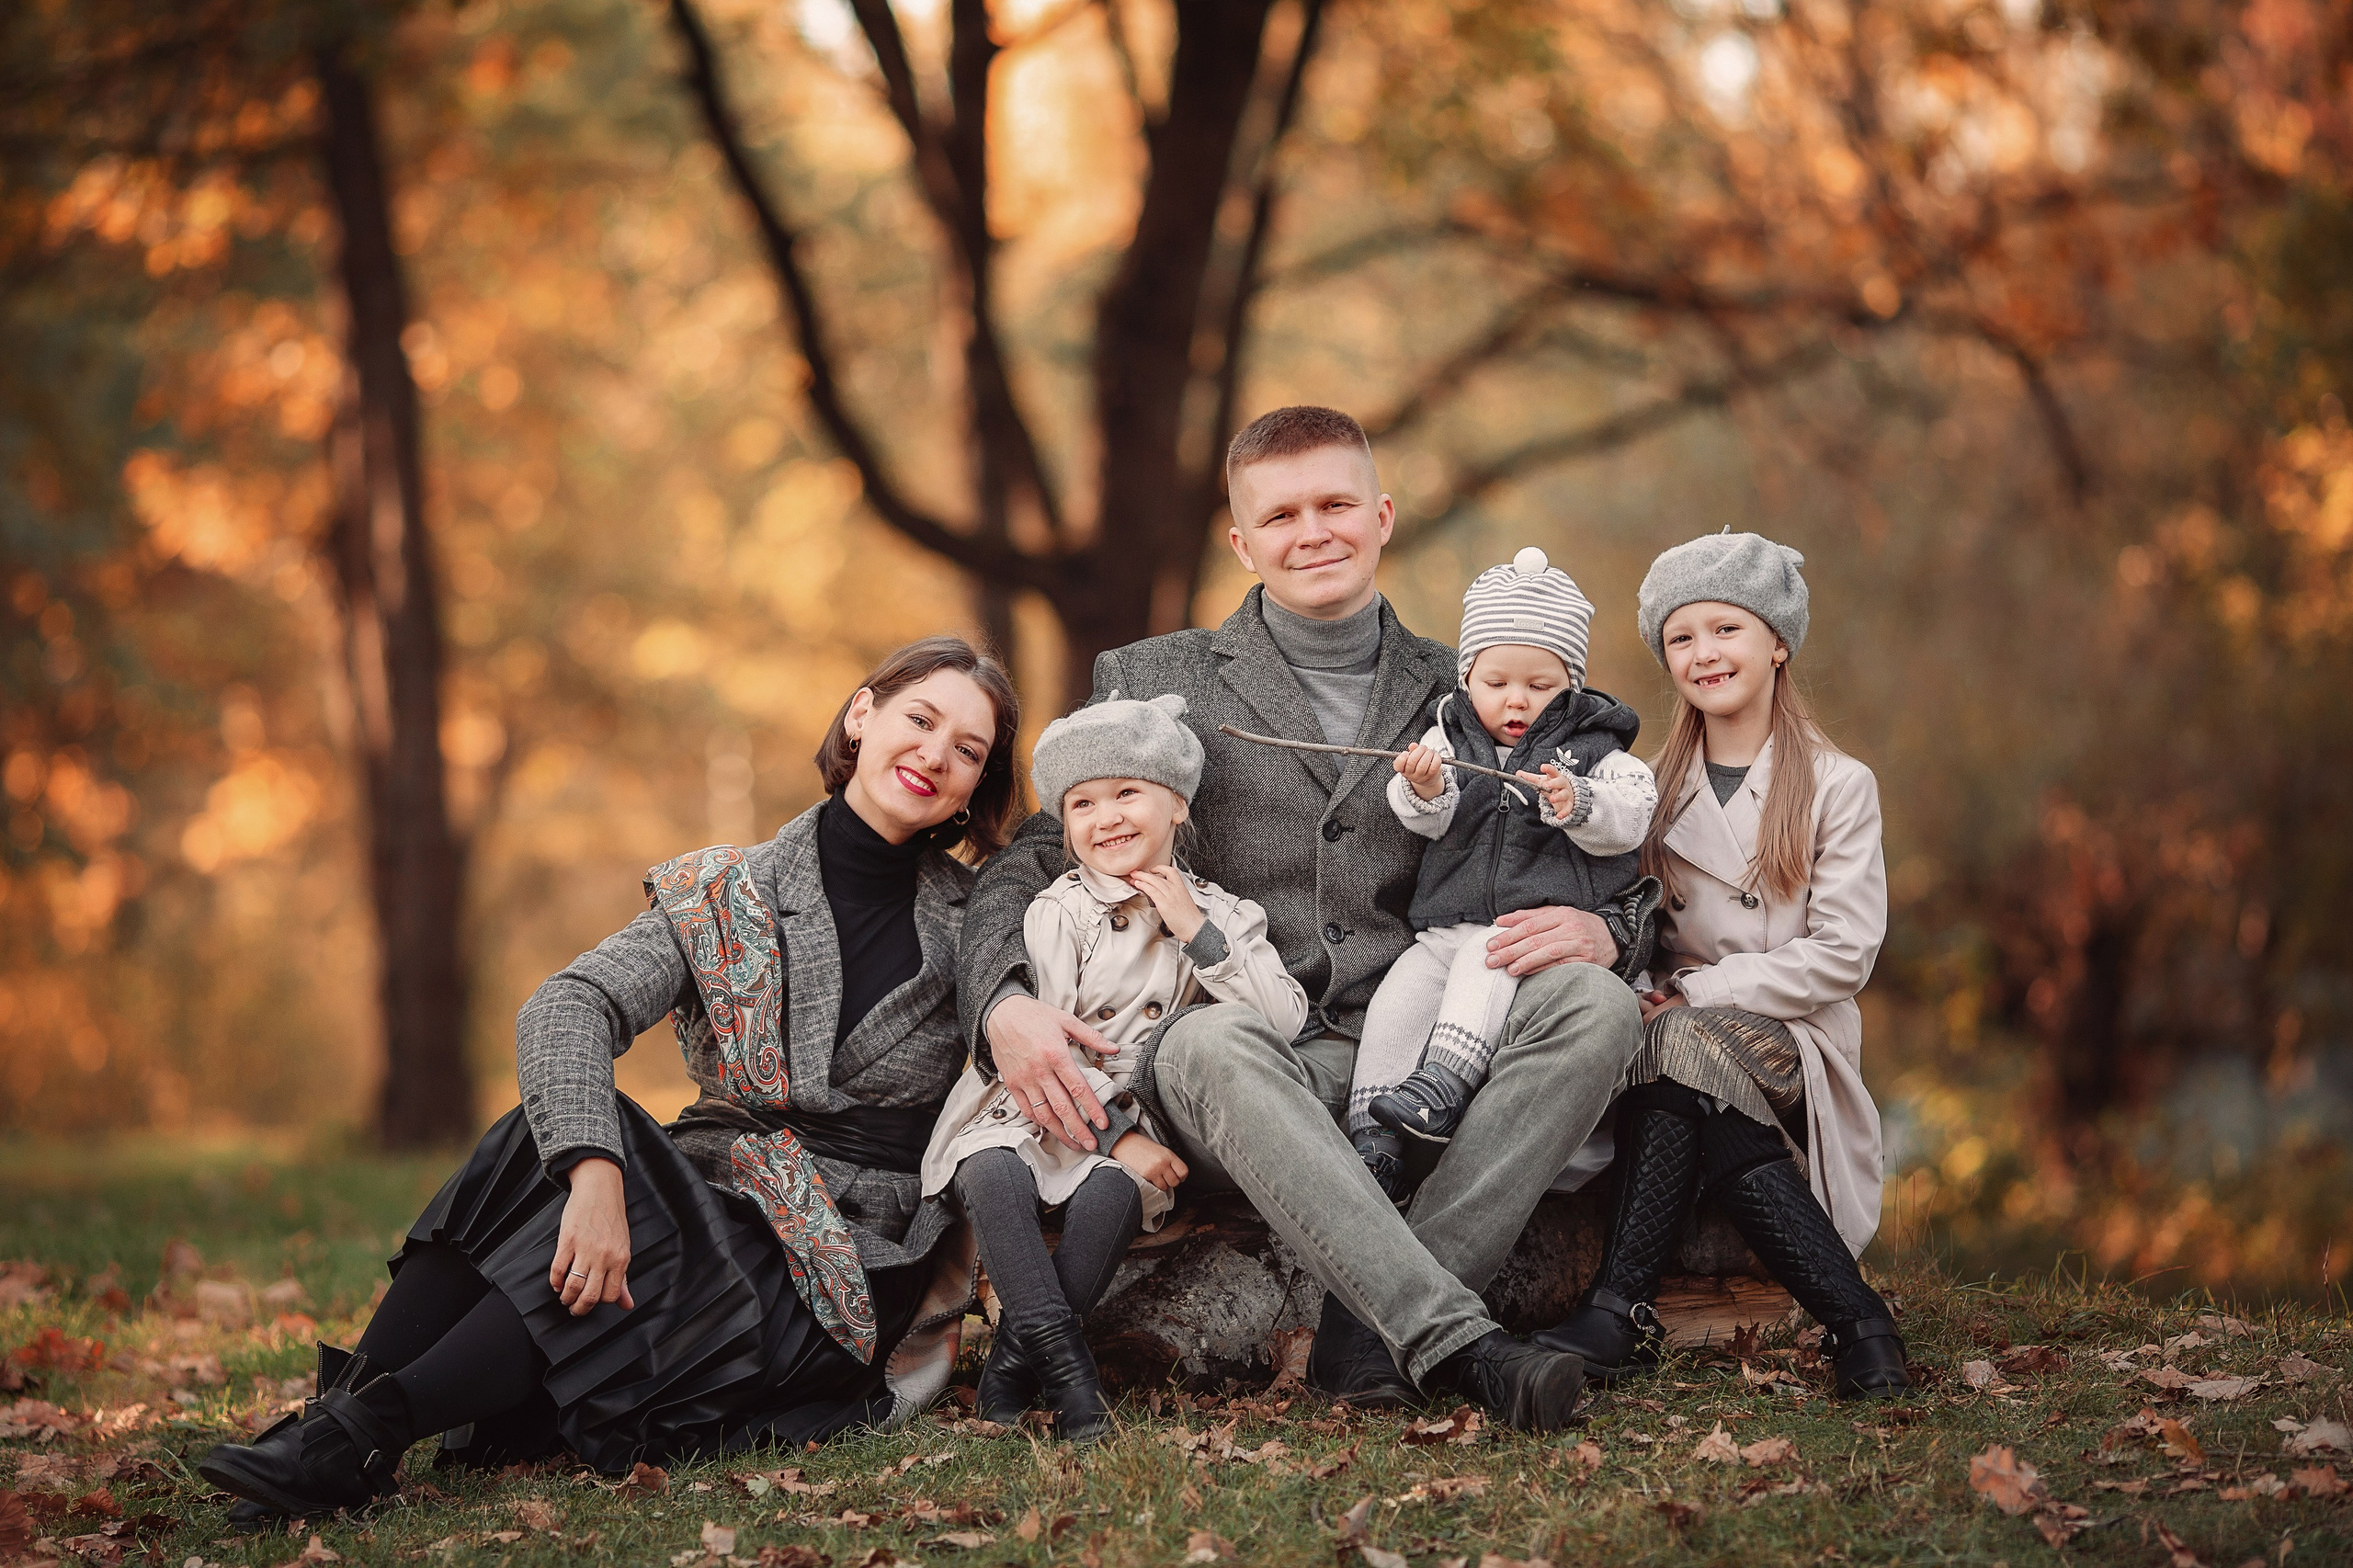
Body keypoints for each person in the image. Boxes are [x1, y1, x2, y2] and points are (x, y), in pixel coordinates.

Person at [199, 637, 1021, 1521]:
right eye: (920, 719)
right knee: (549, 1137)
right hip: (710, 1186)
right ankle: (335, 1433)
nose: (936, 755)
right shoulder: (726, 890)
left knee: (640, 1205)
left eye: (968, 750)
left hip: (836, 1267)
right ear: (862, 715)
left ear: (978, 784)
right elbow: (567, 1005)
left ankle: (358, 1432)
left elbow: (1080, 868)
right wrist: (591, 1172)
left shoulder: (980, 918)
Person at [960, 405, 1659, 1431]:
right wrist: (1000, 1003)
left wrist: (1614, 934)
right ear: (1241, 541)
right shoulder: (1154, 679)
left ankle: (1363, 1338)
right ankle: (1453, 1338)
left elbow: (1600, 833)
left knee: (1594, 1006)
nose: (1312, 531)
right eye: (1280, 514)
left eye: (1336, 503)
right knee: (1207, 1038)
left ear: (1380, 516)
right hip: (1239, 1057)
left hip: (1415, 1049)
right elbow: (1028, 857)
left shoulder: (1475, 677)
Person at [1534, 531, 1909, 1398]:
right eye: (1681, 637)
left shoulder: (1837, 784)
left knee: (1685, 1046)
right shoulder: (1642, 787)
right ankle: (1859, 1324)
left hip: (1790, 1037)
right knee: (1681, 1065)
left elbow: (1844, 953)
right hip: (1663, 1034)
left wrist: (1698, 992)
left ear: (1777, 641)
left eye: (1726, 629)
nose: (1704, 653)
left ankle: (1617, 1306)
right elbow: (1622, 926)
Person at [921, 695, 1307, 1439]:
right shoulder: (1058, 911)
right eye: (1082, 804)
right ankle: (1072, 1382)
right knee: (993, 1174)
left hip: (1133, 1104)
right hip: (1031, 1099)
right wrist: (1120, 1133)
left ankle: (1008, 1370)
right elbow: (1046, 1049)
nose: (1107, 818)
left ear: (1179, 805)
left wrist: (1198, 933)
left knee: (1113, 1198)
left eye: (1128, 793)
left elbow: (1283, 1021)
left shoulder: (1225, 912)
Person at [1347, 546, 1659, 1199]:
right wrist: (1426, 788)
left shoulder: (1595, 744)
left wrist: (1582, 802)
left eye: (1539, 685)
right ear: (1467, 679)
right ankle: (1372, 1136)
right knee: (1398, 1000)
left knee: (1482, 963)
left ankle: (1442, 1085)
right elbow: (1420, 817)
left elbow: (1634, 811)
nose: (1516, 700)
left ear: (1570, 682)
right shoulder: (1449, 735)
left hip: (1524, 931)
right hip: (1444, 925)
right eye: (1496, 684)